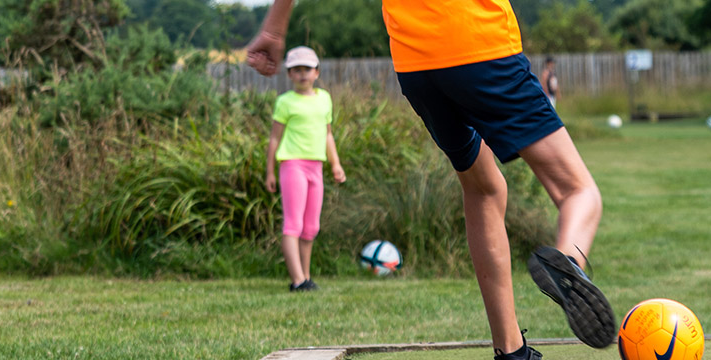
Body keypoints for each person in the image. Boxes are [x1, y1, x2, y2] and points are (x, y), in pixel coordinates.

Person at [246, 0, 616, 357]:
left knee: (484, 188)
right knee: (577, 191)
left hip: (416, 66)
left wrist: (275, 29)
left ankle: (511, 351)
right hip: (479, 43)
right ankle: (568, 264)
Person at [264, 46, 347, 292]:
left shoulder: (324, 99)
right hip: (292, 165)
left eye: (307, 69)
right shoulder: (285, 102)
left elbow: (328, 135)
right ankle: (297, 280)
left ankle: (306, 277)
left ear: (317, 72)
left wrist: (336, 163)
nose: (302, 74)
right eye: (296, 70)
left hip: (316, 166)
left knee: (311, 227)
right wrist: (270, 171)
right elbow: (274, 139)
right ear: (289, 74)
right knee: (293, 225)